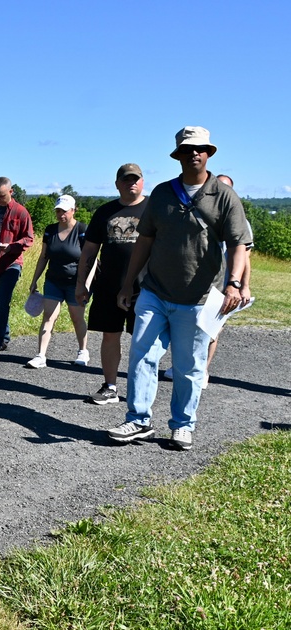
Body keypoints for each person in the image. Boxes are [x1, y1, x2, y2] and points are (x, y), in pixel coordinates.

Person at [107, 127, 251, 450]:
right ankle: (137, 419)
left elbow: (239, 244)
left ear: (209, 153)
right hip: (155, 293)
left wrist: (235, 284)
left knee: (188, 367)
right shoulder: (161, 194)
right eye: (187, 150)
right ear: (178, 155)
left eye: (199, 149)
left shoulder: (224, 196)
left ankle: (183, 425)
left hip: (200, 299)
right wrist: (128, 283)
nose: (194, 154)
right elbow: (144, 241)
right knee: (142, 355)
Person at [163, 173, 253, 388]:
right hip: (197, 282)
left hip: (223, 284)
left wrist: (243, 286)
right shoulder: (199, 211)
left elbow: (245, 258)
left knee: (211, 330)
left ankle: (202, 370)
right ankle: (183, 366)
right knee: (188, 327)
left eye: (225, 188)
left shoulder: (239, 220)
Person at [75, 164, 148, 404]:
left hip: (144, 287)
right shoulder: (106, 211)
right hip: (109, 285)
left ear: (143, 181)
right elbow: (89, 250)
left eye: (136, 179)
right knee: (110, 336)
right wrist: (81, 283)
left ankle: (140, 390)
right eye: (126, 180)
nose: (132, 183)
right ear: (117, 184)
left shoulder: (153, 210)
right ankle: (110, 386)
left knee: (143, 340)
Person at [25, 195, 90, 369]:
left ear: (73, 210)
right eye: (58, 211)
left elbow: (90, 259)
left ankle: (83, 350)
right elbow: (43, 257)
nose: (61, 214)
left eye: (64, 211)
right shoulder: (50, 230)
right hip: (53, 280)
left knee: (77, 318)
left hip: (75, 283)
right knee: (48, 318)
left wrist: (85, 285)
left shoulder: (82, 230)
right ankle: (41, 355)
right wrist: (34, 280)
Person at [0, 177, 34, 357]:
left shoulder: (21, 212)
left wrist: (11, 246)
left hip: (11, 263)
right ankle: (3, 336)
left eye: (2, 196)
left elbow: (29, 238)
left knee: (1, 301)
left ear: (11, 192)